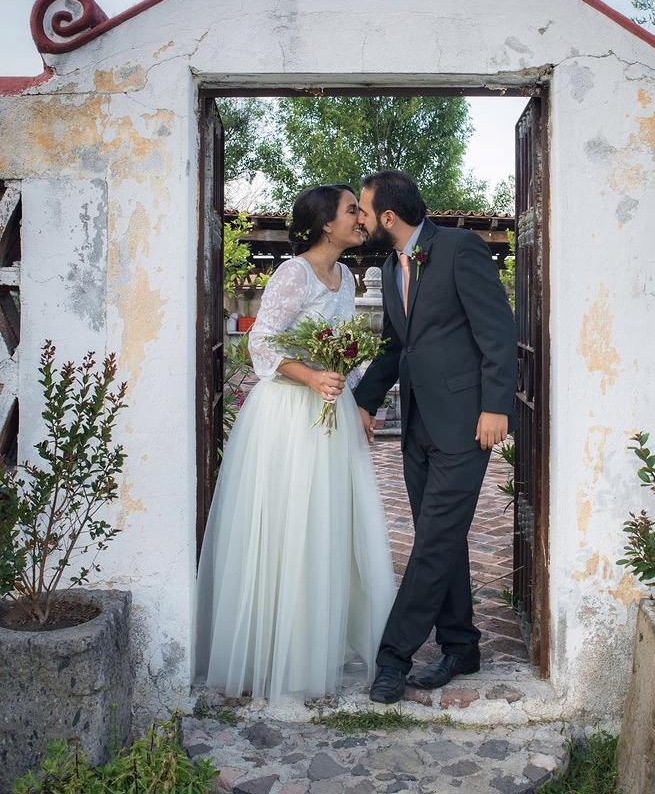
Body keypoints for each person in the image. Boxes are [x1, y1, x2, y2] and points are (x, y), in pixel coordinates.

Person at [194, 184, 395, 704]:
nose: (361, 217)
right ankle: (275, 648)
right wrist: (311, 377)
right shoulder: (294, 273)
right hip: (287, 415)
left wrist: (354, 402)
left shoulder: (346, 277)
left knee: (326, 525)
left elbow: (345, 350)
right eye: (353, 210)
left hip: (329, 414)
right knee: (288, 524)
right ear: (327, 223)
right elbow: (262, 343)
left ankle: (316, 643)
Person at [354, 170, 517, 704]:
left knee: (431, 543)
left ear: (388, 217)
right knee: (439, 539)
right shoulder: (389, 263)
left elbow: (497, 331)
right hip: (418, 425)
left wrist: (496, 406)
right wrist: (364, 401)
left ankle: (393, 657)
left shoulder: (458, 248)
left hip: (468, 424)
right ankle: (461, 645)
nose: (358, 217)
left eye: (363, 208)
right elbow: (395, 347)